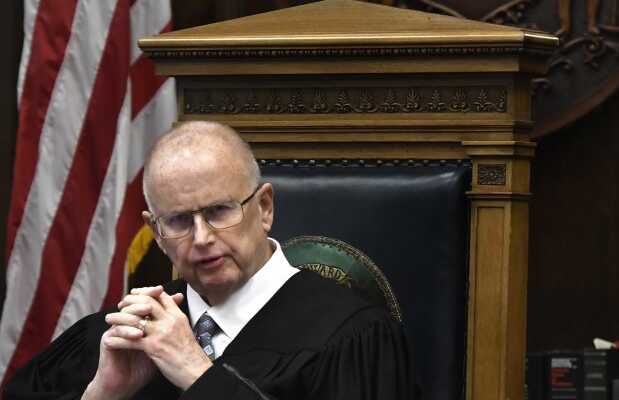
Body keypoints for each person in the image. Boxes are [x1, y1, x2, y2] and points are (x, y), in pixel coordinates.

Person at [4, 121, 422, 399]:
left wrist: (197, 373)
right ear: (157, 234)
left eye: (220, 211)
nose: (202, 238)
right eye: (180, 220)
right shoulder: (121, 336)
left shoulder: (354, 339)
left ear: (264, 208)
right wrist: (102, 395)